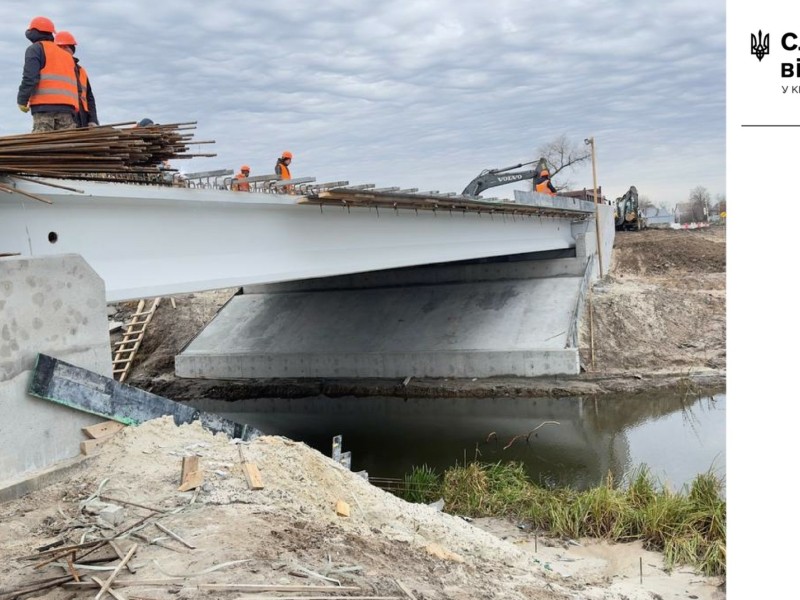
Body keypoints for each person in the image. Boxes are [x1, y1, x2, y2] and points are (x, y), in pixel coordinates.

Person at [17, 16, 80, 133]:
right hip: (67, 110)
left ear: (34, 32)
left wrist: (22, 99)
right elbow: (78, 88)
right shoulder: (67, 56)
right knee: (67, 147)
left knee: (43, 147)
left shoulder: (36, 49)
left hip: (44, 109)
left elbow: (30, 77)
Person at [54, 30, 98, 128]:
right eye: (61, 47)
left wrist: (93, 120)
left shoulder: (81, 71)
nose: (64, 50)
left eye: (66, 47)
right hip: (64, 118)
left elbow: (89, 98)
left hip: (82, 118)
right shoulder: (54, 69)